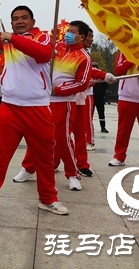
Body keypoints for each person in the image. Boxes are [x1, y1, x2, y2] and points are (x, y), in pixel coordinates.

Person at [0, 0, 68, 220]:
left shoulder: (44, 36)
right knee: (0, 156)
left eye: (23, 18)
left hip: (37, 107)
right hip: (10, 107)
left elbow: (44, 54)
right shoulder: (8, 42)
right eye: (15, 19)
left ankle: (48, 199)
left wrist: (13, 38)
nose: (19, 22)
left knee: (44, 158)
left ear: (33, 21)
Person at [48, 21, 92, 191]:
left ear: (81, 37)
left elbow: (82, 83)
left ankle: (73, 174)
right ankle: (29, 168)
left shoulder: (84, 57)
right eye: (68, 31)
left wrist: (58, 90)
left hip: (63, 103)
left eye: (72, 32)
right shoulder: (57, 47)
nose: (68, 34)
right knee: (40, 136)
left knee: (62, 139)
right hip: (44, 100)